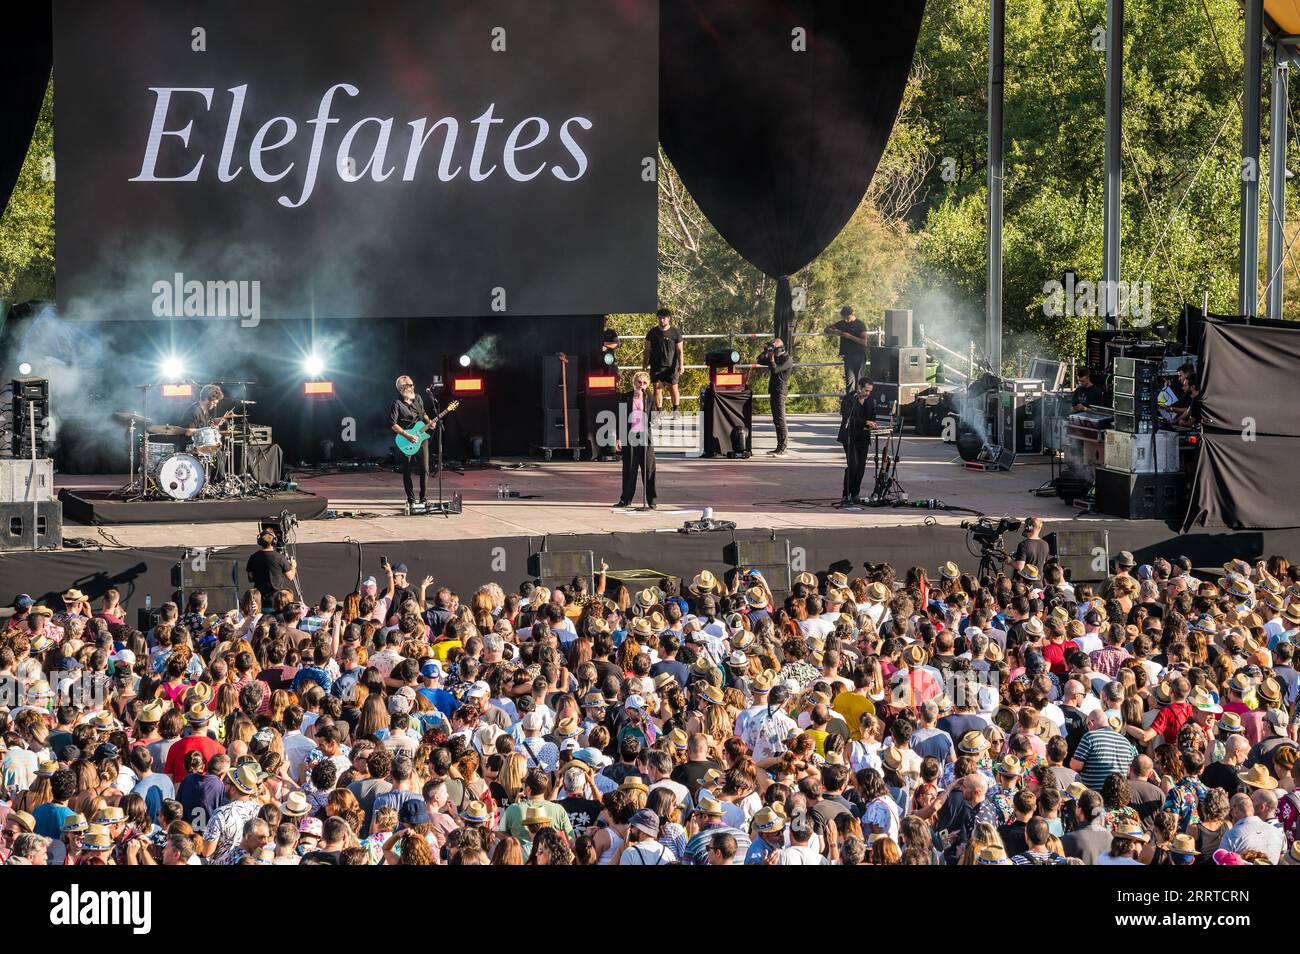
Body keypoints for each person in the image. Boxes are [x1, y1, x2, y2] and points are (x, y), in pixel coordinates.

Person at [389, 374, 437, 508]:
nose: (412, 387)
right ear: (402, 388)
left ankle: (424, 499)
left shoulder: (418, 399)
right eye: (410, 385)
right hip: (406, 440)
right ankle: (411, 499)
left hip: (421, 439)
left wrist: (429, 422)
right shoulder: (396, 404)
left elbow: (424, 414)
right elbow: (393, 424)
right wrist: (407, 435)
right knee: (407, 470)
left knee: (425, 469)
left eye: (412, 385)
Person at [615, 371, 657, 509]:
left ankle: (652, 501)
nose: (641, 385)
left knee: (649, 468)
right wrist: (619, 439)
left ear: (648, 384)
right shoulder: (625, 397)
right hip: (630, 436)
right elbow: (620, 419)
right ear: (634, 382)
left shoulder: (650, 398)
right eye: (639, 382)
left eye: (644, 383)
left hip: (645, 437)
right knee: (629, 469)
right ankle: (625, 499)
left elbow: (653, 417)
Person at [837, 377, 878, 505]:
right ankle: (846, 494)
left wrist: (872, 424)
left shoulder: (870, 401)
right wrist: (865, 422)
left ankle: (855, 494)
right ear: (859, 387)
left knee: (861, 467)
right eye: (866, 390)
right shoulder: (849, 399)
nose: (868, 393)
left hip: (863, 437)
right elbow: (847, 417)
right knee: (853, 465)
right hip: (850, 437)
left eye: (870, 391)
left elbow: (873, 417)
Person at [642, 308, 684, 417]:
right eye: (659, 318)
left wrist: (681, 365)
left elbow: (680, 351)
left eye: (664, 318)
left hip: (672, 366)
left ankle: (676, 411)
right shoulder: (652, 332)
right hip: (656, 365)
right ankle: (659, 412)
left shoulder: (675, 332)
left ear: (669, 319)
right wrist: (644, 364)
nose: (661, 320)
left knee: (673, 388)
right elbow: (647, 349)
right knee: (657, 389)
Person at [759, 338, 794, 457]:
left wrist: (772, 358)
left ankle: (783, 448)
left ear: (780, 348)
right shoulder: (775, 357)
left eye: (774, 348)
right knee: (776, 420)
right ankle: (778, 447)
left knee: (781, 419)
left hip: (780, 391)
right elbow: (759, 360)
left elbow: (775, 370)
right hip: (773, 391)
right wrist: (766, 350)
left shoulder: (787, 359)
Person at [824, 305, 868, 393]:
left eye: (848, 317)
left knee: (859, 380)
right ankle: (850, 402)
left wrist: (850, 336)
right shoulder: (842, 323)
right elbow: (827, 329)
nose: (846, 319)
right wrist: (837, 333)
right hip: (848, 355)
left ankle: (860, 402)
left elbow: (864, 342)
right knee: (849, 381)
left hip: (859, 355)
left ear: (852, 314)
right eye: (844, 317)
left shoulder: (860, 324)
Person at [245, 529, 296, 604]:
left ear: (260, 542)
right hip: (276, 600)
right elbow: (290, 577)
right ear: (274, 541)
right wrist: (293, 566)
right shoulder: (280, 558)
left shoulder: (253, 557)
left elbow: (251, 578)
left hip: (259, 599)